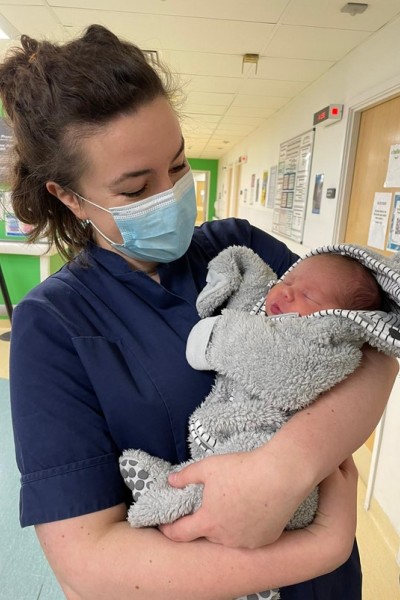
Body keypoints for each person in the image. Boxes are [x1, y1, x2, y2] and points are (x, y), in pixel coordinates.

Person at [2, 24, 396, 600]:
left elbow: (377, 341)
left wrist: (284, 467)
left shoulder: (241, 248)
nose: (170, 194)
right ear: (67, 196)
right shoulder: (54, 327)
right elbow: (87, 562)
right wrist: (319, 547)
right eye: (136, 189)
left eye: (179, 166)